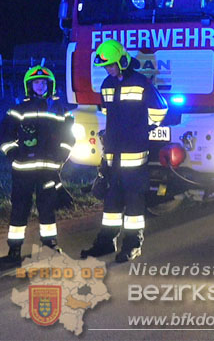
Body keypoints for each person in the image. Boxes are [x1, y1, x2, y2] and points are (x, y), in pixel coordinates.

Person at [80, 39, 167, 263]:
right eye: (105, 67)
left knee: (134, 204)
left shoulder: (141, 82)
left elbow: (160, 109)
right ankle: (106, 242)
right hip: (113, 155)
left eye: (110, 65)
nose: (108, 70)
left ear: (122, 60)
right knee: (111, 202)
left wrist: (143, 128)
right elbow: (110, 116)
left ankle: (132, 244)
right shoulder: (107, 85)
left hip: (134, 156)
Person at [0, 66, 74, 269]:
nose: (40, 86)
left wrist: (61, 157)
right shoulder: (18, 109)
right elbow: (5, 135)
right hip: (22, 170)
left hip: (48, 171)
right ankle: (14, 251)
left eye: (43, 83)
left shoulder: (60, 110)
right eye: (36, 83)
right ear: (29, 86)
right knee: (19, 210)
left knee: (47, 209)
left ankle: (50, 247)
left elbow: (69, 138)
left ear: (49, 85)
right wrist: (13, 154)